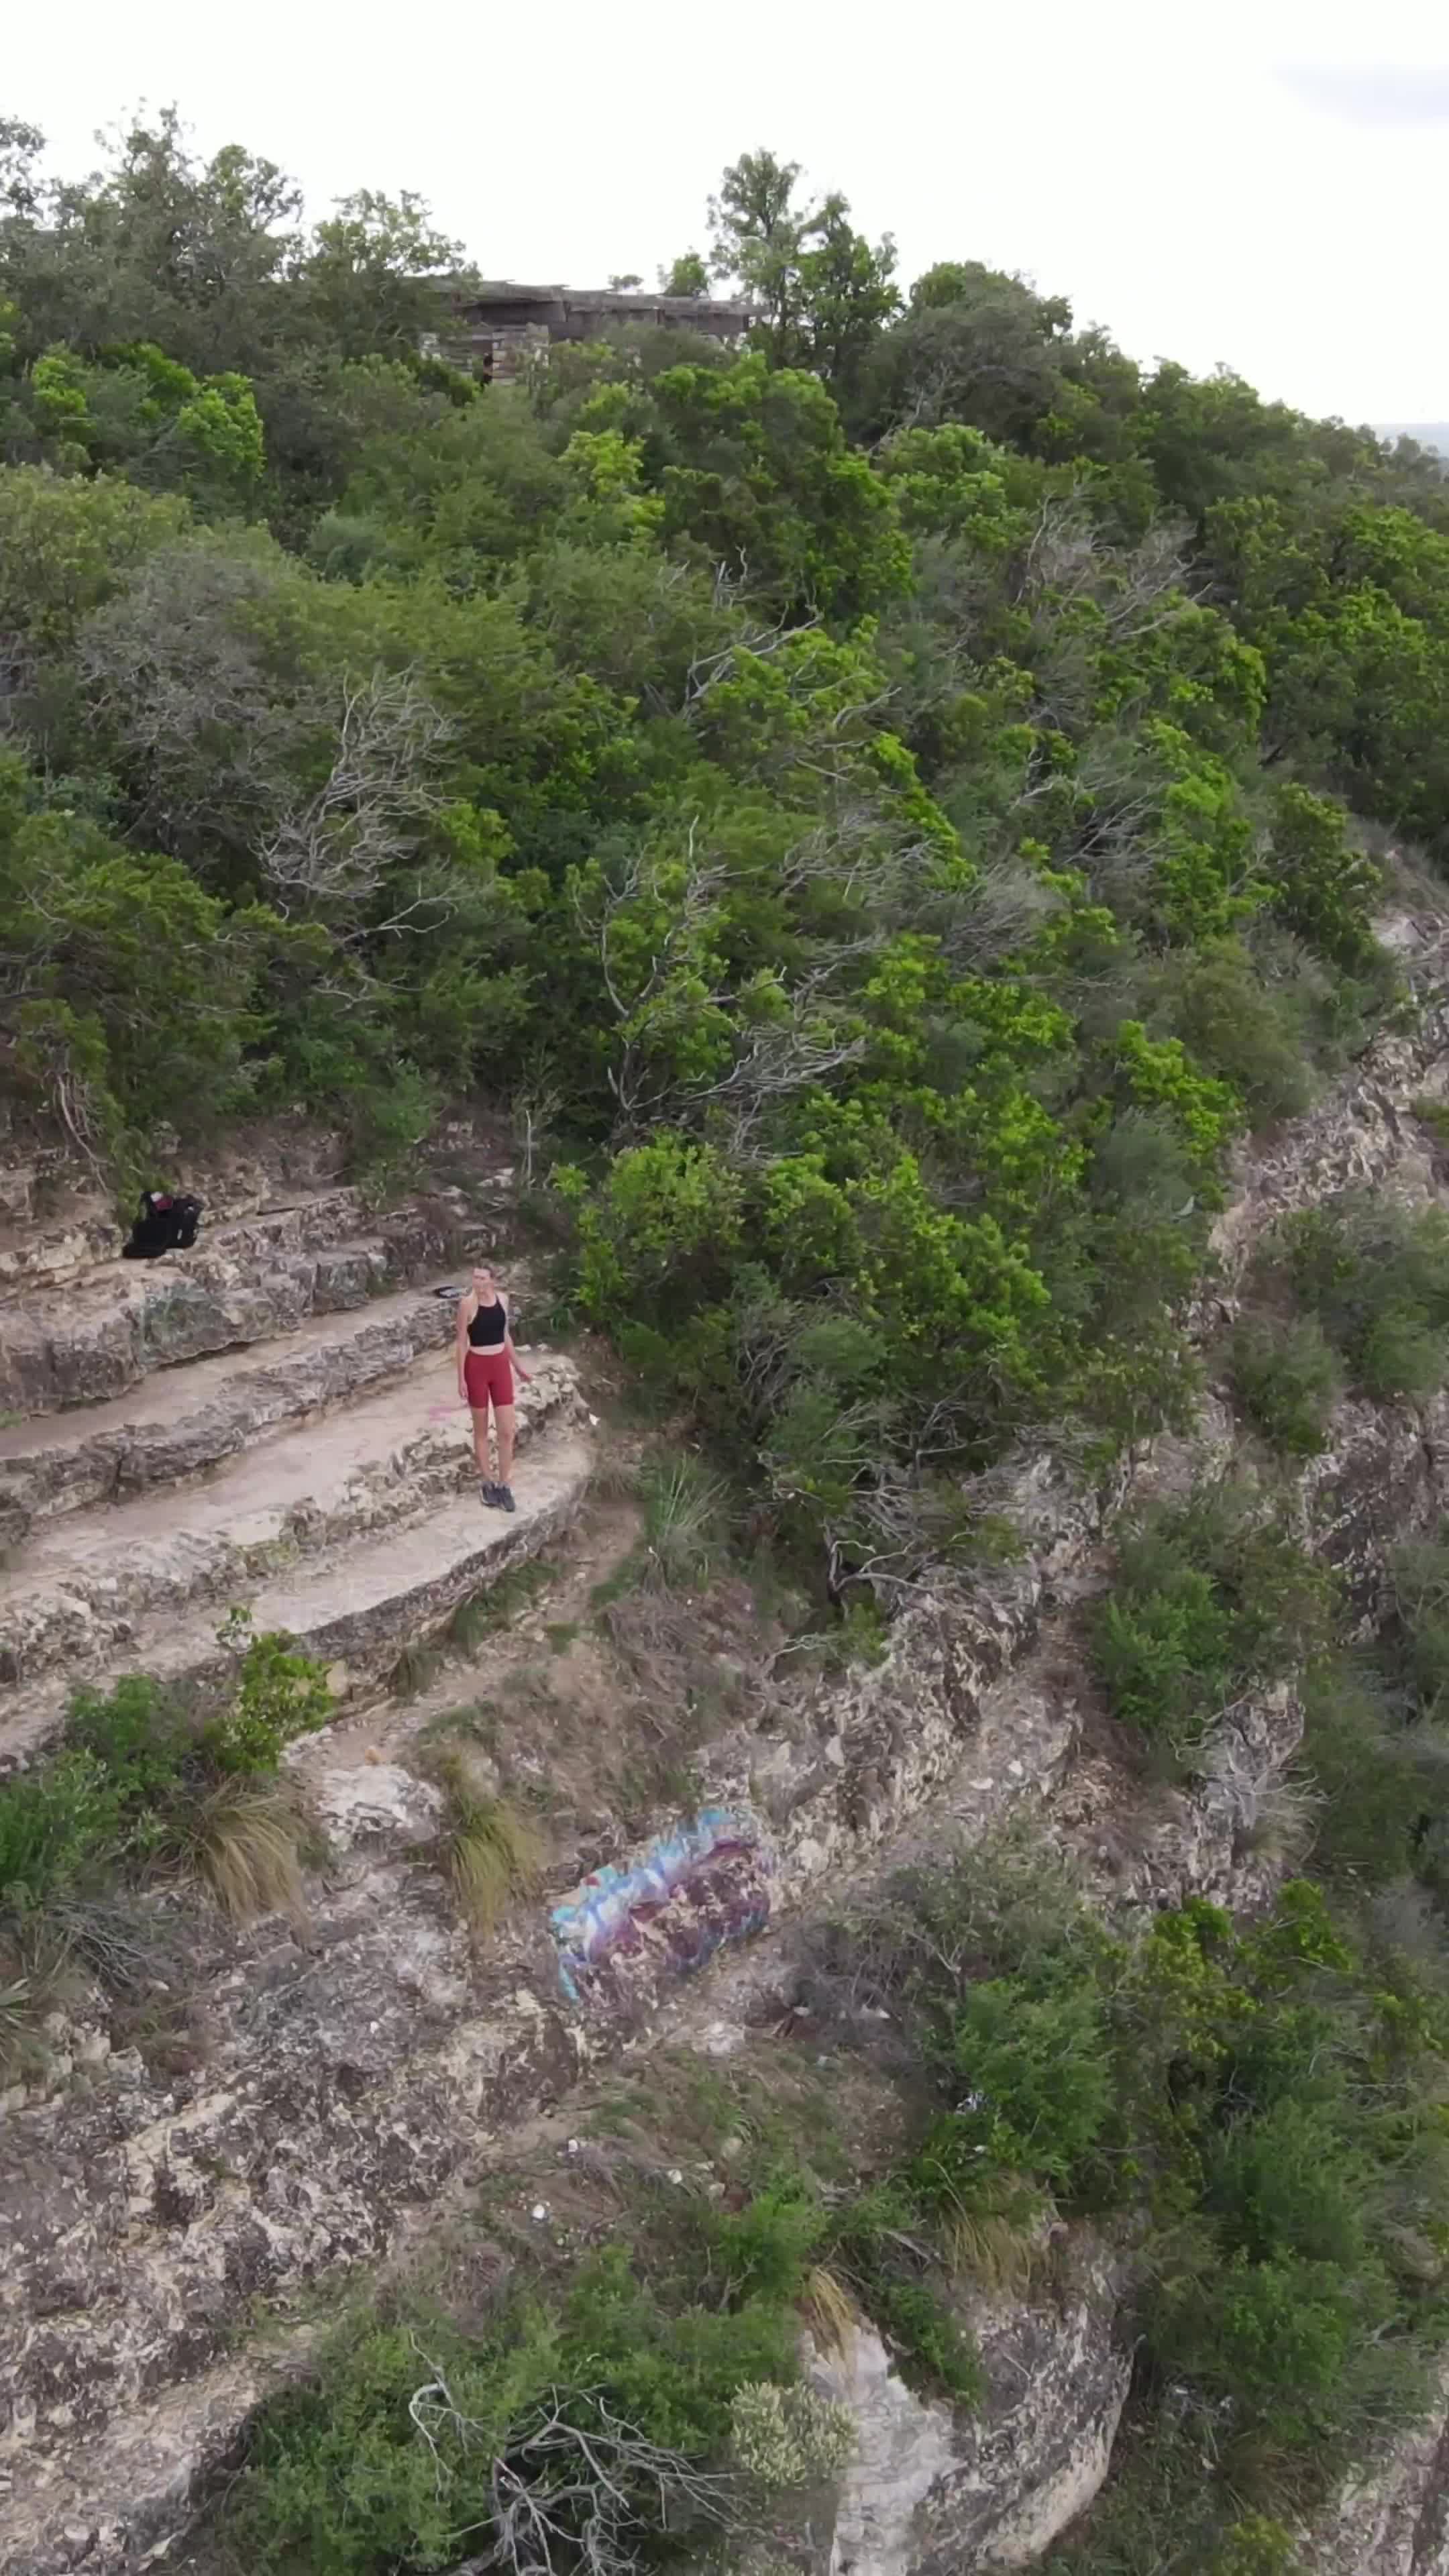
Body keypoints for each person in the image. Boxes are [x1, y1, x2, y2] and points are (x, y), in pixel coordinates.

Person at [456, 1265, 531, 1512]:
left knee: (507, 1431)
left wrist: (518, 1368)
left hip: (499, 1365)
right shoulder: (467, 1304)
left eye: (482, 1278)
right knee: (481, 1430)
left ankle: (504, 1485)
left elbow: (505, 1336)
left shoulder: (503, 1300)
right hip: (477, 1366)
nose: (477, 1282)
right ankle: (488, 1482)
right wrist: (461, 1379)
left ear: (492, 1280)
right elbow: (461, 1344)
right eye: (474, 1277)